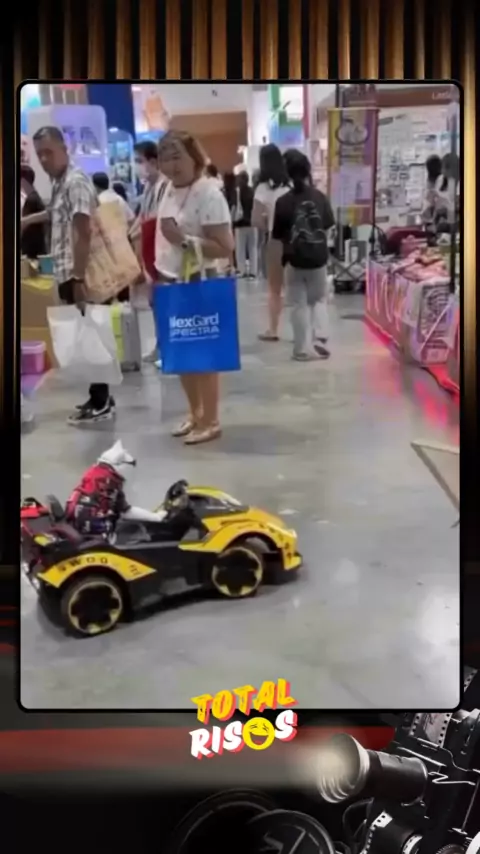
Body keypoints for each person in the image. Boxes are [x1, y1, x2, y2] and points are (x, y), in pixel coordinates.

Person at [20, 126, 115, 424]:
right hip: (67, 273)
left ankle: (102, 402)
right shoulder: (61, 183)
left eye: (49, 152)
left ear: (65, 148)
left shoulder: (75, 182)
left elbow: (83, 232)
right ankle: (98, 397)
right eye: (40, 154)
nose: (44, 159)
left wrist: (78, 278)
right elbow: (56, 213)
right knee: (85, 337)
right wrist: (28, 220)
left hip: (79, 275)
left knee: (92, 337)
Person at [154, 129, 234, 445]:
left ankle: (211, 420)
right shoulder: (167, 189)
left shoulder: (209, 193)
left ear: (194, 158)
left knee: (204, 355)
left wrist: (184, 240)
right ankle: (196, 413)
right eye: (165, 158)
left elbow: (224, 246)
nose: (171, 165)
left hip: (201, 282)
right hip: (172, 282)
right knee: (182, 354)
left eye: (177, 157)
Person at [271, 149, 334, 362]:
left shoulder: (282, 202)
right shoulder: (320, 197)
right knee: (319, 299)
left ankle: (300, 349)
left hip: (294, 259)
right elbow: (327, 226)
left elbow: (278, 235)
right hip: (318, 258)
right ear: (308, 170)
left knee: (297, 303)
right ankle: (320, 339)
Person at [65, 440, 166, 537]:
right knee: (133, 529)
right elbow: (126, 512)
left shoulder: (93, 473)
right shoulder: (111, 481)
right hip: (96, 531)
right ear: (120, 464)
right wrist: (156, 517)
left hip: (76, 524)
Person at [132, 141, 167, 364]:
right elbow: (142, 217)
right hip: (149, 251)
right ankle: (160, 345)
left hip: (161, 251)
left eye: (139, 161)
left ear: (153, 162)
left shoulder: (164, 186)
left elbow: (156, 219)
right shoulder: (148, 188)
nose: (137, 166)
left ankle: (166, 347)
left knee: (162, 300)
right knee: (154, 301)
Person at [252, 144, 290, 341]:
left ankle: (273, 329)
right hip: (296, 240)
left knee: (275, 288)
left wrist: (268, 221)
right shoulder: (291, 185)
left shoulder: (263, 188)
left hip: (275, 240)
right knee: (297, 286)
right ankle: (304, 330)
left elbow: (255, 220)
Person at [20, 165, 47, 259]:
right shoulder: (35, 197)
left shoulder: (31, 200)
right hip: (37, 248)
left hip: (32, 250)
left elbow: (23, 226)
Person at [233, 171, 256, 278]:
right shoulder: (252, 191)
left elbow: (234, 206)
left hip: (240, 223)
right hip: (252, 222)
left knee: (240, 248)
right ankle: (253, 271)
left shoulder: (238, 192)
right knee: (253, 247)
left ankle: (241, 270)